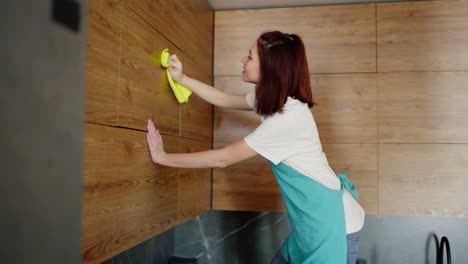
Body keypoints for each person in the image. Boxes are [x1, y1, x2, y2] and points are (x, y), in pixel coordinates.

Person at [147, 31, 365, 264]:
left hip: (332, 226)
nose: (243, 61)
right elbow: (224, 99)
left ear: (269, 69)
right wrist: (182, 79)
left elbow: (222, 158)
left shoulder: (287, 119)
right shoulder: (274, 100)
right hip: (314, 223)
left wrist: (162, 157)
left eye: (249, 57)